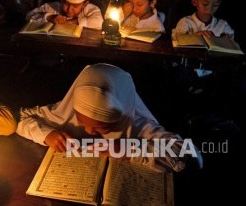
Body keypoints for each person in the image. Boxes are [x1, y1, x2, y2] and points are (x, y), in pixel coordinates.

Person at [16, 63, 203, 172]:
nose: (89, 131)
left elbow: (191, 155)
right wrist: (47, 134)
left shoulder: (136, 124)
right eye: (81, 121)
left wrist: (130, 151)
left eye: (101, 128)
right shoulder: (65, 112)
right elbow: (22, 119)